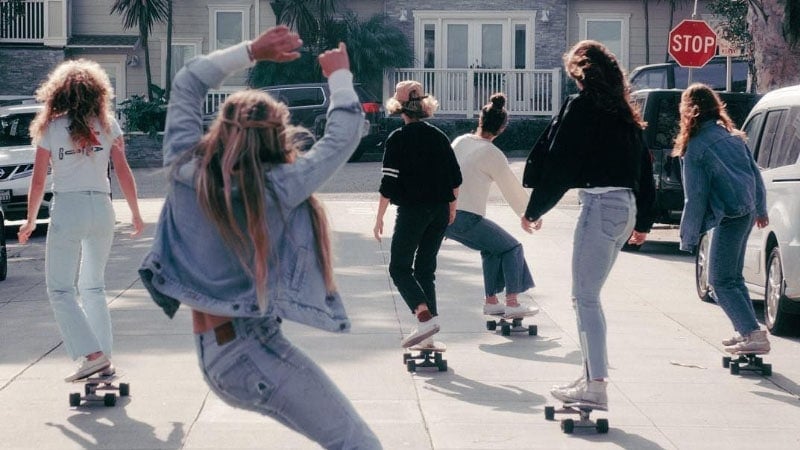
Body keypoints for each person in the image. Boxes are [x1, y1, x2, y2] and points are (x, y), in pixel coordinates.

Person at [137, 27, 381, 449]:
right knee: (358, 444)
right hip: (249, 348)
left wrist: (252, 51)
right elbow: (343, 136)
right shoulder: (278, 186)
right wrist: (339, 75)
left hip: (218, 351)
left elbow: (188, 81)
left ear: (222, 127)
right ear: (277, 136)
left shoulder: (183, 167)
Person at [521, 40, 656, 408]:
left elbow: (561, 161)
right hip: (623, 208)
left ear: (581, 74)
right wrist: (643, 221)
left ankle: (595, 385)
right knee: (588, 297)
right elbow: (645, 171)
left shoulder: (583, 106)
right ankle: (589, 377)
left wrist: (534, 209)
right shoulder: (625, 112)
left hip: (601, 205)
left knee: (585, 298)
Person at [17, 58, 145, 382]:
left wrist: (30, 220)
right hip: (102, 208)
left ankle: (92, 355)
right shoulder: (109, 125)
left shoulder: (51, 127)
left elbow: (38, 180)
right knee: (94, 287)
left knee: (60, 289)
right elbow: (123, 172)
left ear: (58, 92)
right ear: (97, 92)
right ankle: (104, 357)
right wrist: (135, 213)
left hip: (68, 208)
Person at [674, 83, 770, 354]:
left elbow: (695, 197)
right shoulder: (732, 136)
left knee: (718, 280)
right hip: (746, 210)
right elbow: (755, 174)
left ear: (688, 111)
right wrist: (761, 210)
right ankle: (746, 330)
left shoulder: (695, 147)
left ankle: (753, 334)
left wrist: (688, 236)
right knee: (733, 277)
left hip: (729, 214)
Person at [373, 80, 462, 348]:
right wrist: (452, 209)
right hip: (439, 211)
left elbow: (388, 185)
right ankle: (429, 339)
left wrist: (379, 218)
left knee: (399, 267)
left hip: (413, 211)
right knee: (425, 269)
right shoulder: (438, 136)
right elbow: (456, 179)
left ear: (399, 107)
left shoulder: (397, 139)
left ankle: (423, 316)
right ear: (424, 105)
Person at [445, 93, 540, 317]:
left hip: (443, 216)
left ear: (480, 121)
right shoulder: (492, 153)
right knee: (512, 247)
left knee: (492, 249)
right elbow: (512, 189)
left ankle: (491, 301)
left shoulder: (460, 141)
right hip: (466, 217)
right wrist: (531, 214)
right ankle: (513, 302)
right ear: (502, 128)